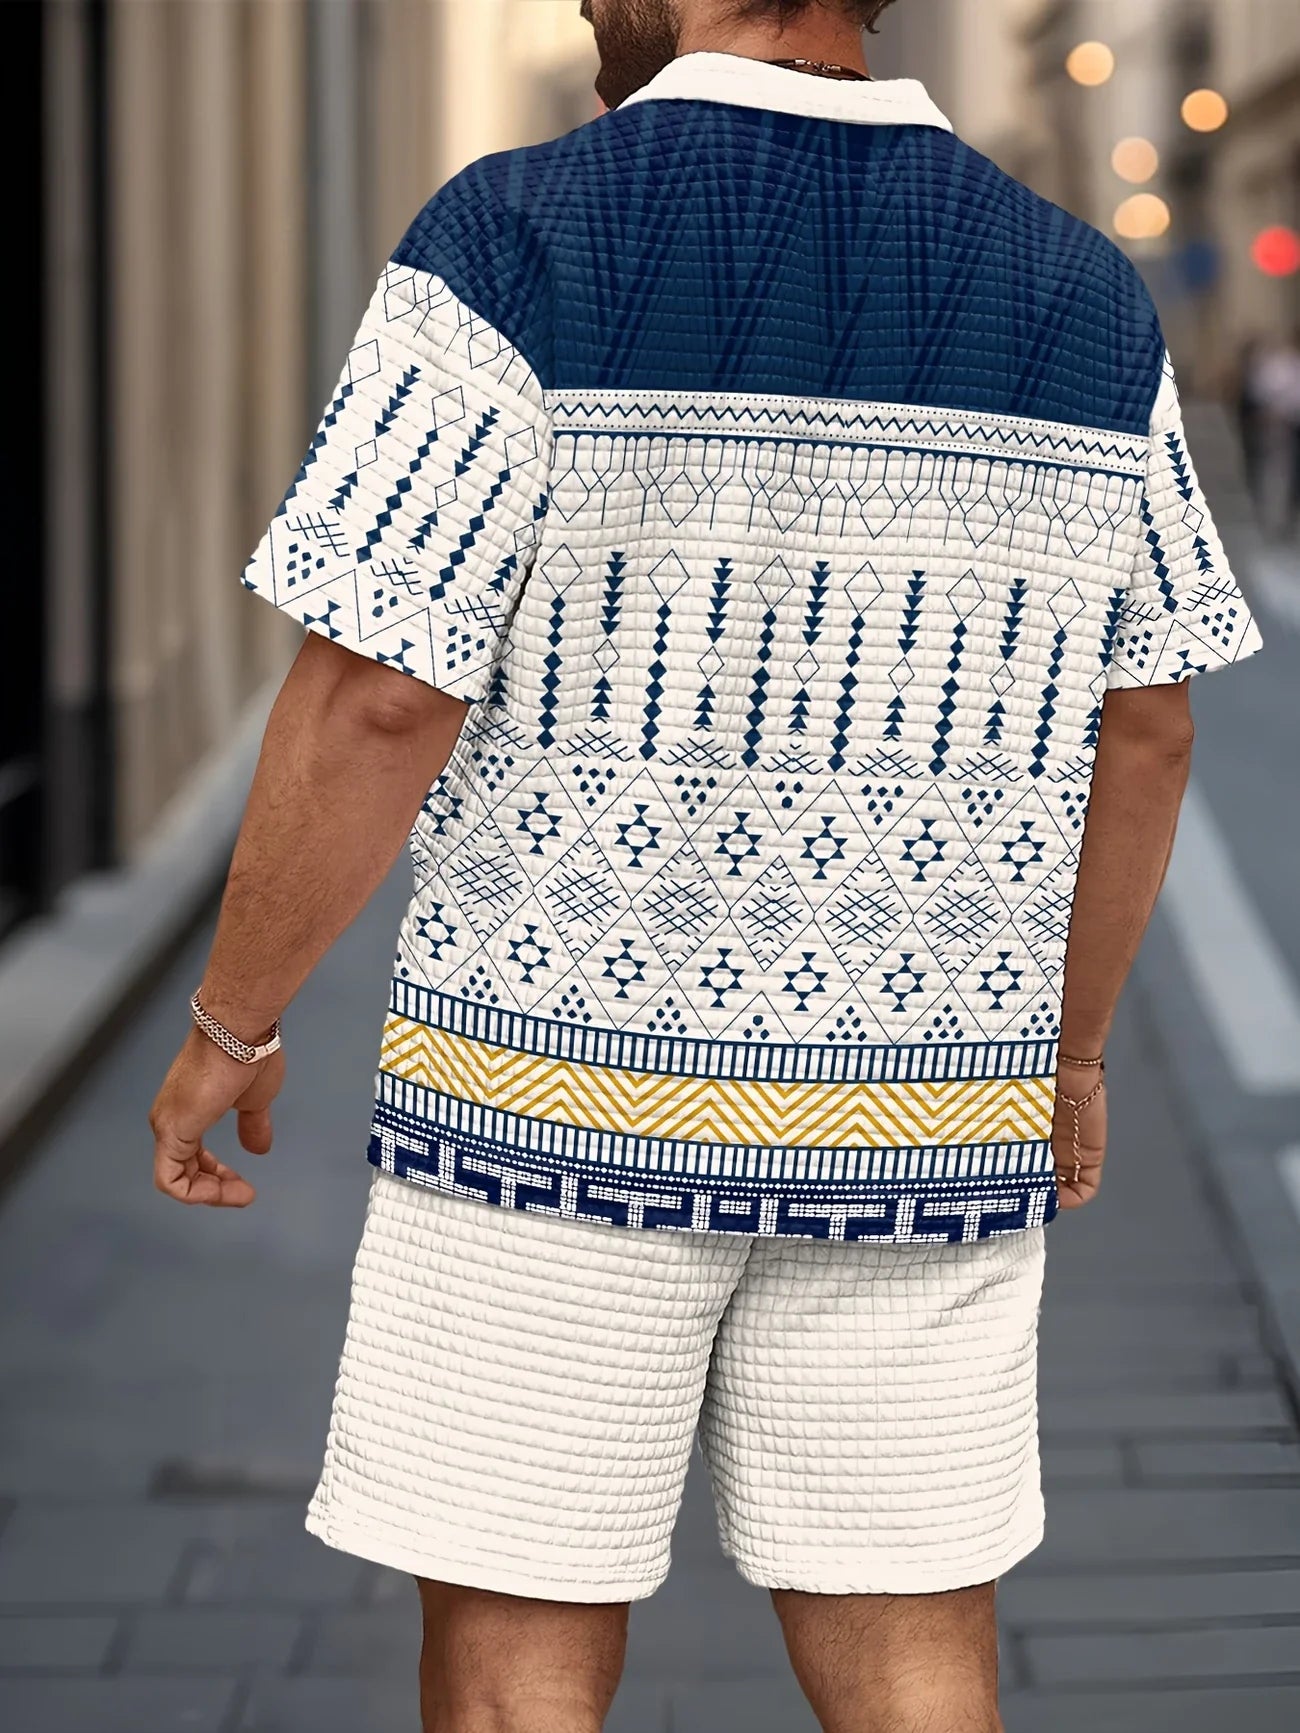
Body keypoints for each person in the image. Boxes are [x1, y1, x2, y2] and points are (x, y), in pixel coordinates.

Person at [148, 2, 1263, 1729]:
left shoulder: (516, 235)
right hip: (922, 1106)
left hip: (544, 1107)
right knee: (912, 1637)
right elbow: (1150, 724)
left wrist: (236, 1015)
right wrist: (1069, 1052)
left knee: (518, 1648)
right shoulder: (1079, 293)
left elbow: (379, 691)